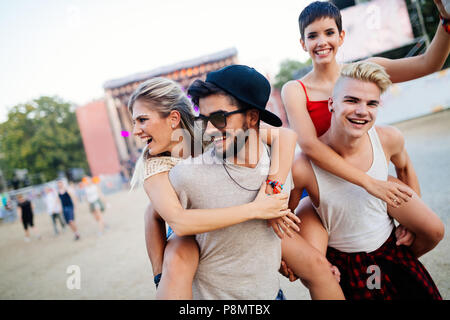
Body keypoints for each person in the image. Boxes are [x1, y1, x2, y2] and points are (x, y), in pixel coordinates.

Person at [140, 65, 344, 300]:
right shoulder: (186, 174)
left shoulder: (279, 162)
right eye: (203, 120)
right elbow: (154, 214)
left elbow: (287, 136)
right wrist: (159, 274)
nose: (209, 129)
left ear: (253, 117)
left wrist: (273, 195)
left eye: (218, 118)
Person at [282, 61, 444, 299]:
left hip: (390, 249)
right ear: (331, 104)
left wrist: (407, 221)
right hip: (346, 261)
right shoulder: (303, 166)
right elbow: (286, 214)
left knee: (433, 231)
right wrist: (289, 260)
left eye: (371, 103)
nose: (362, 110)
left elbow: (405, 167)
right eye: (351, 100)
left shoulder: (389, 138)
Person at [282, 0, 450, 208]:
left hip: (366, 170)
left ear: (341, 36)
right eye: (313, 35)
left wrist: (446, 20)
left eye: (329, 32)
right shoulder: (295, 89)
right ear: (303, 43)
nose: (321, 41)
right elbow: (309, 146)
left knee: (429, 228)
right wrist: (368, 183)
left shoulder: (364, 72)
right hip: (325, 178)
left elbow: (428, 64)